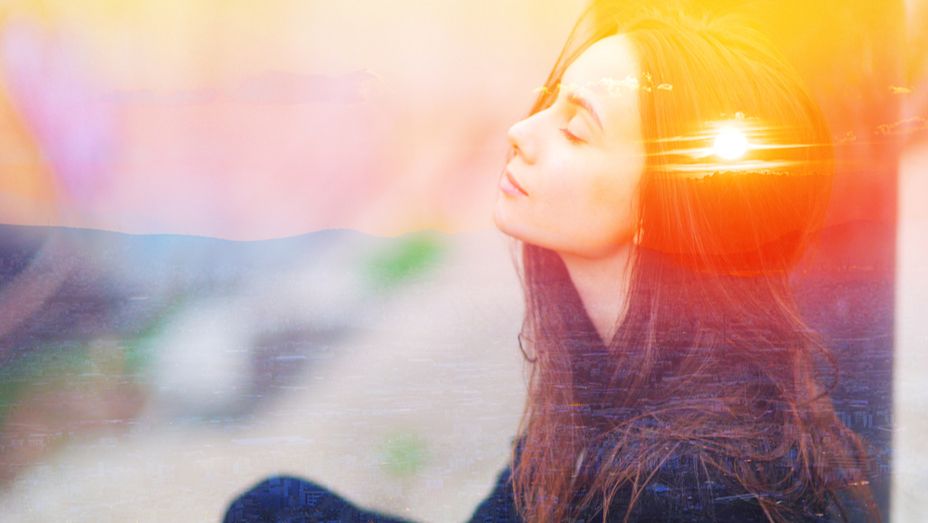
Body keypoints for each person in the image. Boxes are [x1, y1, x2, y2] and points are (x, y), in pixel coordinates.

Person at [225, 2, 881, 521]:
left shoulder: (687, 487)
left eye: (575, 128)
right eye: (550, 103)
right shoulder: (614, 380)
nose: (521, 131)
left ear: (666, 200)